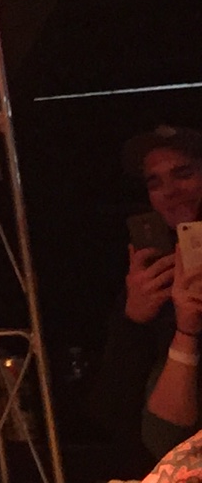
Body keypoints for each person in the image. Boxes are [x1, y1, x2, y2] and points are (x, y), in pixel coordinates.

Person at [99, 125, 202, 470]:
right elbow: (114, 411)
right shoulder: (149, 275)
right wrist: (133, 321)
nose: (169, 192)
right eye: (154, 183)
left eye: (183, 173)